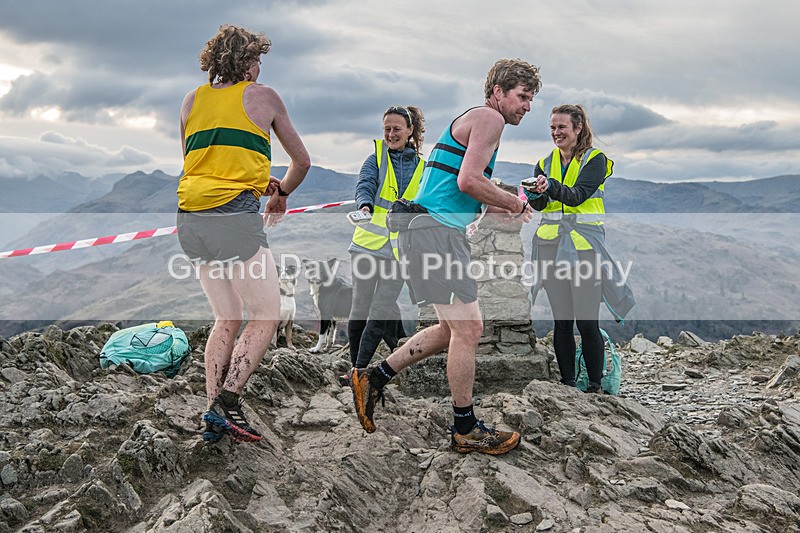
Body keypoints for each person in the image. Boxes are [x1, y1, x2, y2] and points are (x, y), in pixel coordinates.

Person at [350, 59, 541, 455]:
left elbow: (461, 185)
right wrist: (515, 202)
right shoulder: (490, 119)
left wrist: (499, 200)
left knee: (449, 329)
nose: (527, 106)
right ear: (498, 92)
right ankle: (465, 427)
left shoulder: (474, 120)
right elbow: (468, 180)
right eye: (523, 97)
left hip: (428, 231)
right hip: (436, 233)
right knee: (469, 330)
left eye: (531, 99)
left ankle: (374, 377)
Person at [176, 24, 310, 443]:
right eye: (257, 60)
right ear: (248, 62)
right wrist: (281, 192)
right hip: (232, 216)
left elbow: (200, 162)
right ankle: (229, 404)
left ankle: (213, 412)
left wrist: (255, 179)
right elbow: (302, 161)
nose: (259, 67)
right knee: (266, 315)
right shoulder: (264, 95)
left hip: (189, 215)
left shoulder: (191, 100)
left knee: (226, 317)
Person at [523, 104, 631, 393]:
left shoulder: (596, 160)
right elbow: (542, 206)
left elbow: (578, 196)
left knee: (586, 322)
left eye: (562, 127)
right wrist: (535, 195)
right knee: (561, 322)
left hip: (583, 249)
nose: (556, 133)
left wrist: (549, 187)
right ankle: (568, 384)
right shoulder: (544, 163)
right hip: (550, 246)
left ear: (578, 127)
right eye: (552, 128)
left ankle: (595, 386)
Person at [347, 106, 425, 371]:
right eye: (387, 129)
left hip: (399, 251)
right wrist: (364, 206)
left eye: (397, 129)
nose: (391, 134)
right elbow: (365, 185)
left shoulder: (423, 168)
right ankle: (355, 368)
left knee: (381, 310)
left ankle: (360, 369)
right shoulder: (375, 159)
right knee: (360, 308)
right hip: (366, 247)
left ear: (410, 131)